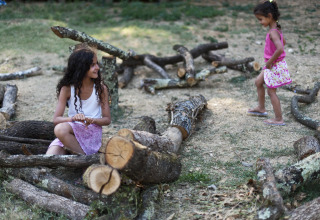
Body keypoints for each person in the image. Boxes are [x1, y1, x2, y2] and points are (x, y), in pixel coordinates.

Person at [46, 47, 111, 155]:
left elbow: (107, 119)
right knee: (48, 159)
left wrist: (92, 120)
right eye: (93, 65)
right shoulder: (67, 89)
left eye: (97, 64)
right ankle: (82, 157)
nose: (98, 68)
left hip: (91, 133)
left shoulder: (101, 89)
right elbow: (56, 119)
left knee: (60, 130)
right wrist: (73, 118)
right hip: (71, 131)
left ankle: (85, 159)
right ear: (82, 68)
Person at [248, 0, 292, 126]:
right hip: (271, 64)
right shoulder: (276, 28)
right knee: (258, 82)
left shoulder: (273, 32)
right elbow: (284, 42)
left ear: (269, 16)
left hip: (273, 65)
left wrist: (270, 62)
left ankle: (279, 119)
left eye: (261, 19)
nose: (260, 22)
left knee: (271, 92)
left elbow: (280, 48)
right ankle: (261, 108)